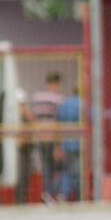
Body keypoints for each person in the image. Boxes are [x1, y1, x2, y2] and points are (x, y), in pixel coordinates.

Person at [28, 70, 65, 200]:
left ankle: (46, 192)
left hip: (40, 136)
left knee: (46, 166)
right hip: (53, 136)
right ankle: (56, 192)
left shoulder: (37, 97)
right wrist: (58, 143)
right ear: (56, 84)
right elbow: (59, 119)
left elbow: (32, 117)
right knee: (59, 167)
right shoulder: (57, 99)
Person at [54, 84, 82, 201]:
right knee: (77, 171)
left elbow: (58, 124)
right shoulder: (83, 104)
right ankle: (79, 195)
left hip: (66, 142)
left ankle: (63, 194)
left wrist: (58, 146)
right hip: (79, 142)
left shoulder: (64, 104)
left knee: (67, 170)